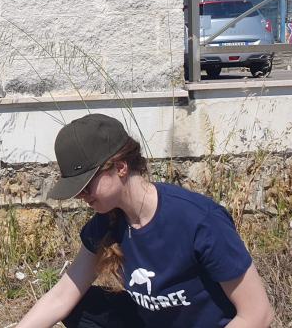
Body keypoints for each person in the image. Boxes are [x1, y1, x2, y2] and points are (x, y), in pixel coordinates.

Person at [18, 114, 273, 327]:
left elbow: (258, 314)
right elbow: (62, 296)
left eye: (85, 185)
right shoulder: (109, 221)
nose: (80, 196)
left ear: (120, 168)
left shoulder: (199, 220)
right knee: (83, 306)